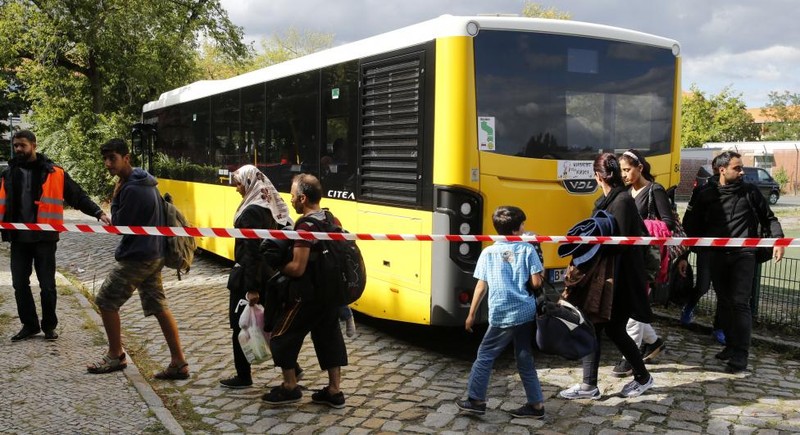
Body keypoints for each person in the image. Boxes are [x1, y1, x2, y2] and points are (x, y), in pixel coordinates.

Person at [87, 138, 189, 379]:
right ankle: (179, 362)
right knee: (159, 306)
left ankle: (115, 355)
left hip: (138, 257)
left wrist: (115, 197)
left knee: (106, 301)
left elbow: (121, 225)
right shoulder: (146, 181)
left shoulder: (131, 188)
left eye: (112, 158)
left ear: (126, 158)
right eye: (105, 159)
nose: (108, 164)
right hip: (154, 253)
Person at [1, 130, 111, 342]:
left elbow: (77, 196)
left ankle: (49, 326)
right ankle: (29, 325)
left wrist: (98, 212)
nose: (18, 150)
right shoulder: (8, 174)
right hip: (18, 239)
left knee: (47, 285)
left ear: (34, 145)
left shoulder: (54, 172)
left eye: (22, 145)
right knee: (19, 284)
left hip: (44, 238)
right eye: (15, 146)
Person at [559, 153, 654, 400]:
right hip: (610, 279)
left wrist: (592, 243)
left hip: (619, 280)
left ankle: (594, 385)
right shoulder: (608, 200)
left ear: (598, 176)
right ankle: (639, 378)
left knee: (598, 327)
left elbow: (619, 244)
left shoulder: (621, 201)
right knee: (607, 329)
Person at [682, 151, 784, 373]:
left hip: (744, 254)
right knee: (725, 300)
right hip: (716, 256)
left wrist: (779, 241)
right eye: (737, 168)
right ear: (722, 170)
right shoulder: (706, 194)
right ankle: (730, 344)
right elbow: (690, 225)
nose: (741, 172)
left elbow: (770, 218)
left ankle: (741, 354)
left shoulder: (750, 192)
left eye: (742, 167)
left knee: (739, 302)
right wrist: (684, 254)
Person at [262, 173, 348, 408]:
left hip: (306, 296)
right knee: (329, 338)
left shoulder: (305, 225)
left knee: (281, 336)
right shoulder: (332, 219)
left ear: (302, 198)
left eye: (291, 196)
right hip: (329, 294)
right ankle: (334, 391)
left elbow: (298, 268)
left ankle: (290, 386)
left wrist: (277, 264)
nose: (290, 200)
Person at [455, 206, 546, 419]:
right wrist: (541, 264)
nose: (525, 228)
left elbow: (481, 285)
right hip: (524, 311)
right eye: (522, 225)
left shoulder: (488, 252)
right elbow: (535, 282)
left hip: (501, 312)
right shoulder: (528, 249)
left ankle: (476, 400)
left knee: (485, 355)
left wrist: (471, 314)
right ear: (516, 230)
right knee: (524, 357)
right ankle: (536, 405)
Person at [220, 165, 293, 389]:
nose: (237, 189)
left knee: (239, 326)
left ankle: (243, 376)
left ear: (250, 182)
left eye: (239, 184)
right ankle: (292, 367)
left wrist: (252, 288)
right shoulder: (268, 205)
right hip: (267, 275)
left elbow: (251, 252)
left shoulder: (252, 211)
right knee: (269, 326)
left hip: (248, 277)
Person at [612, 149, 669, 377]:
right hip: (629, 256)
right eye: (622, 171)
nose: (624, 175)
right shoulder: (626, 192)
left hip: (647, 258)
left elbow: (668, 223)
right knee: (636, 301)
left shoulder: (655, 191)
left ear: (640, 168)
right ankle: (654, 343)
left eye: (627, 170)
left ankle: (629, 357)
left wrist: (640, 227)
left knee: (635, 305)